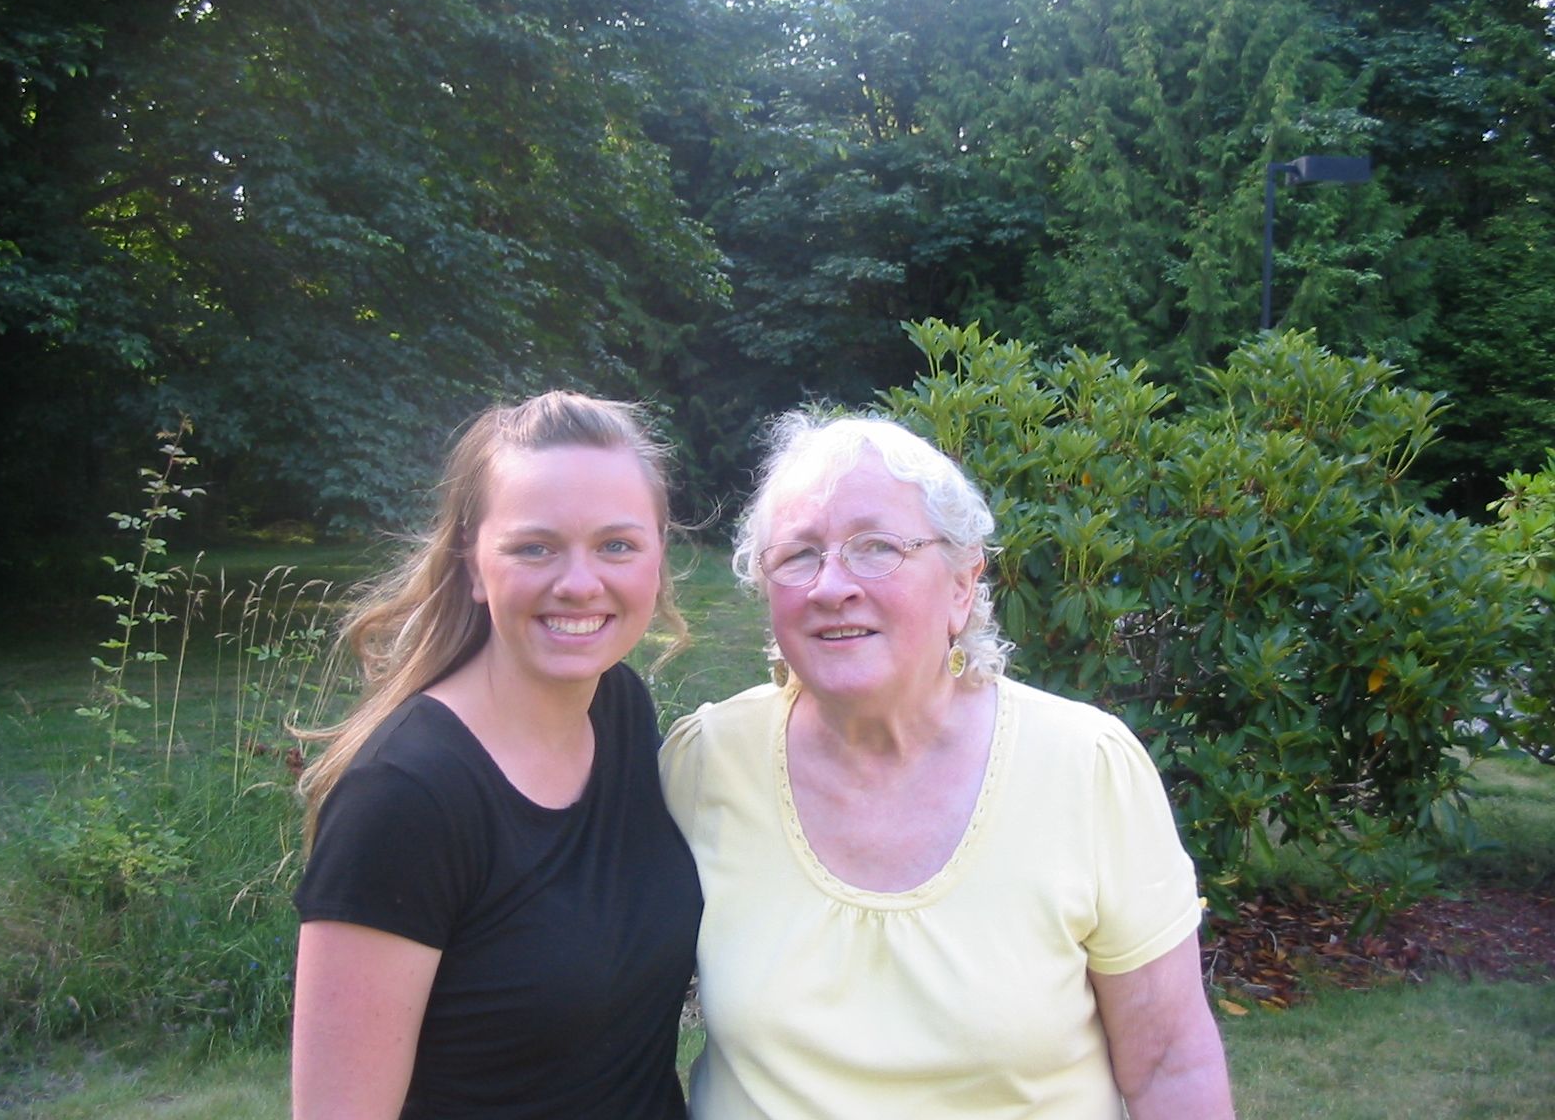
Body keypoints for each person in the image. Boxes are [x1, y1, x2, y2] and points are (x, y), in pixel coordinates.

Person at [660, 412, 1233, 1119]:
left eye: (876, 547)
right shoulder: (708, 761)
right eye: (798, 556)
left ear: (963, 584)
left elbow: (1171, 1064)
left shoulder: (1085, 768)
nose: (830, 586)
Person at [291, 391, 702, 1120]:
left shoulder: (620, 709)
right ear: (474, 566)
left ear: (658, 557)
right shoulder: (404, 796)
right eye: (534, 547)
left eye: (617, 544)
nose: (579, 583)